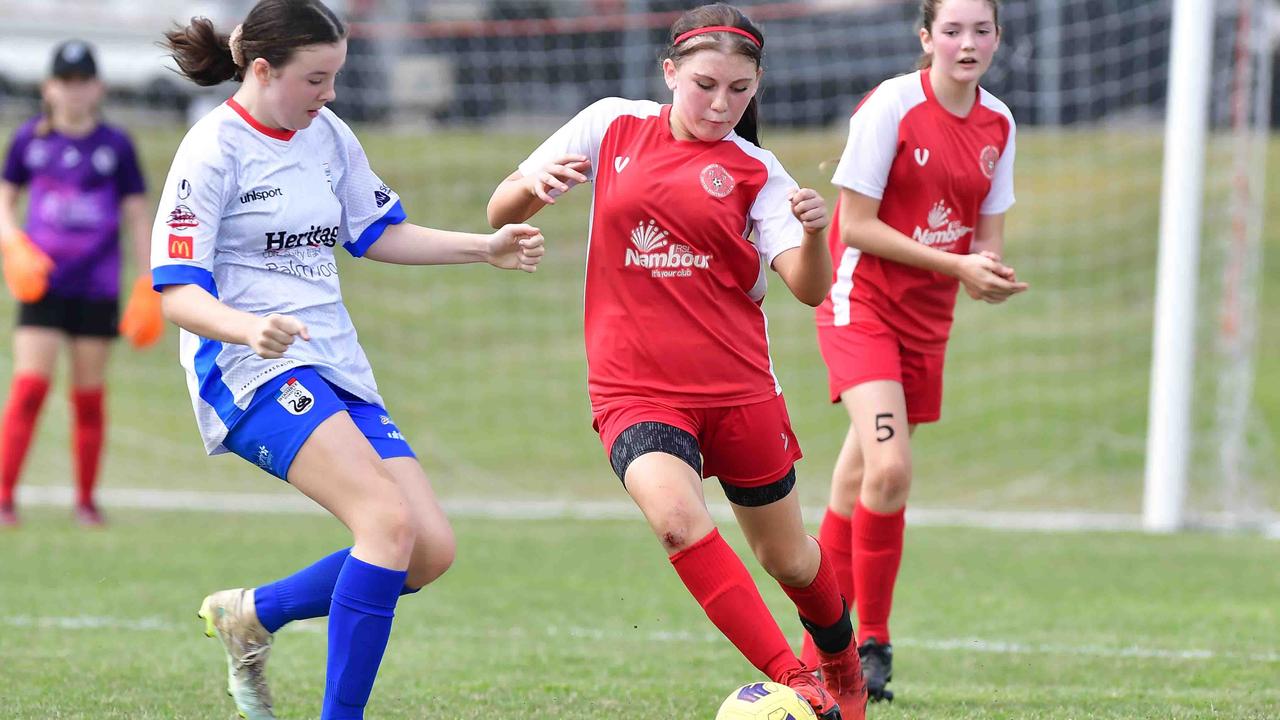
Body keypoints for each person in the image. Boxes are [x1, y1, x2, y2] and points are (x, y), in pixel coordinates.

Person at [154, 2, 545, 718]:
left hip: (335, 363)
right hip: (248, 369)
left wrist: (482, 248)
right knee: (385, 525)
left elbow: (376, 232)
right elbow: (177, 292)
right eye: (317, 79)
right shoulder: (212, 150)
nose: (330, 95)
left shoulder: (326, 135)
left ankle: (253, 613)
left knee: (426, 551)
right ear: (263, 71)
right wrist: (246, 329)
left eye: (336, 77)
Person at [488, 4, 866, 719]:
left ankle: (842, 661)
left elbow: (810, 290)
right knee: (675, 522)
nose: (720, 104)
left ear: (756, 87)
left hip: (738, 389)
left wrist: (818, 235)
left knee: (789, 560)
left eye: (739, 90)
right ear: (669, 73)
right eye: (704, 85)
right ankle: (800, 679)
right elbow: (497, 208)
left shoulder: (759, 171)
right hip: (634, 389)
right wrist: (533, 189)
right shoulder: (610, 123)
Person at [803, 0, 1027, 702]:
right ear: (926, 37)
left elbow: (985, 234)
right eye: (952, 30)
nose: (968, 43)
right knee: (892, 468)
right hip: (860, 304)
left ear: (997, 37)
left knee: (858, 484)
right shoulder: (891, 106)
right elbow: (857, 227)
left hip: (929, 318)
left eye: (981, 30)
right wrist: (957, 265)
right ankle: (871, 643)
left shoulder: (1000, 123)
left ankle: (817, 652)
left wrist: (986, 270)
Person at [0, 39, 163, 528]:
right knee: (29, 389)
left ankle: (86, 503)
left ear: (98, 88)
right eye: (64, 82)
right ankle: (4, 498)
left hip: (96, 287)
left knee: (88, 397)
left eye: (82, 82)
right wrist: (14, 246)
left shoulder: (115, 146)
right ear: (49, 88)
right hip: (43, 285)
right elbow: (4, 202)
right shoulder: (30, 140)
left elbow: (137, 215)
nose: (73, 92)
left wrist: (149, 281)